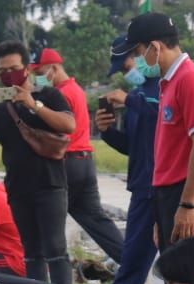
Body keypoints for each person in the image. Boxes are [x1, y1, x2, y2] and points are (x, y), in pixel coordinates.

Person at [0, 40, 78, 284]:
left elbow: (69, 125)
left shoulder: (49, 95)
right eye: (2, 71)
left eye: (14, 68)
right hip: (18, 189)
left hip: (50, 184)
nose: (9, 75)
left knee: (56, 248)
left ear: (27, 68)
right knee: (31, 253)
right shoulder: (0, 110)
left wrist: (34, 105)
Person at [74, 35, 162, 284]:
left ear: (142, 52)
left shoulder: (161, 90)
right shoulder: (138, 95)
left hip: (167, 188)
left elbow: (168, 118)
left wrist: (129, 100)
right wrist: (108, 131)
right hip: (143, 187)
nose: (128, 73)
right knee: (134, 259)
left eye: (127, 65)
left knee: (180, 260)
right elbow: (134, 146)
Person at [126, 13, 194, 259]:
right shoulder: (168, 82)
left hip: (187, 192)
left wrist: (187, 204)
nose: (136, 60)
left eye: (137, 52)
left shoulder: (190, 79)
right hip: (167, 194)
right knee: (174, 272)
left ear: (155, 47)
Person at [31, 46, 125, 265]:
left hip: (66, 163)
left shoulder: (59, 95)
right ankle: (130, 261)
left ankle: (43, 269)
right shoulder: (76, 89)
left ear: (54, 68)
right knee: (96, 220)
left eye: (40, 73)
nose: (37, 79)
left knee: (46, 221)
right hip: (85, 162)